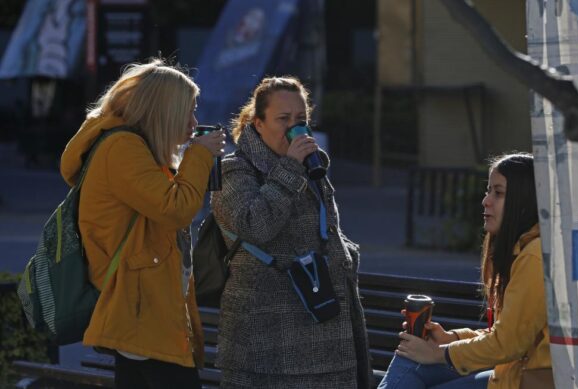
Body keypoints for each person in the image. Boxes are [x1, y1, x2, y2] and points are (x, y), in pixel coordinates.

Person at [60, 58, 225, 389]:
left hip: (142, 309)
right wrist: (200, 156)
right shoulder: (123, 148)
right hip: (142, 312)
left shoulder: (136, 149)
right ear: (164, 111)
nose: (194, 122)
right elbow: (175, 209)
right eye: (188, 111)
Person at [211, 76, 371, 388]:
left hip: (325, 334)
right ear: (258, 124)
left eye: (301, 119)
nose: (294, 127)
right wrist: (290, 168)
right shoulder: (235, 170)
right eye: (283, 119)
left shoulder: (313, 168)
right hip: (267, 344)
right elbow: (256, 226)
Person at [378, 153, 551, 389]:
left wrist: (440, 353)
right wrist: (451, 339)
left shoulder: (534, 255)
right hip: (507, 370)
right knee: (410, 358)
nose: (486, 201)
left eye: (498, 193)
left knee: (420, 362)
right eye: (488, 191)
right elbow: (504, 333)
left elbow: (508, 344)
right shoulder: (519, 249)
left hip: (521, 379)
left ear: (524, 201)